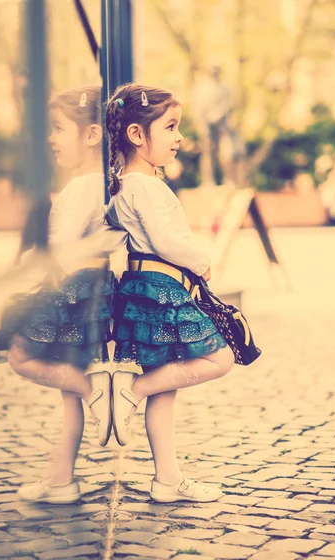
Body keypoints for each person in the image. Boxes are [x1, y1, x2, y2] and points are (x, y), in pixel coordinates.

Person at [0, 85, 124, 504]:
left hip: (71, 292)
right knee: (66, 392)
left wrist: (33, 259)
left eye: (58, 128)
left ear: (93, 134)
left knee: (19, 356)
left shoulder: (83, 185)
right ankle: (61, 480)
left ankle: (94, 390)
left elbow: (59, 250)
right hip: (88, 292)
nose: (51, 138)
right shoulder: (98, 184)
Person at [105, 83, 235, 503]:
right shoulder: (144, 185)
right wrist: (202, 263)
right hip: (162, 291)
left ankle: (167, 479)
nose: (179, 137)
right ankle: (130, 391)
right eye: (171, 127)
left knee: (165, 387)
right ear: (137, 136)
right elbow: (165, 240)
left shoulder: (129, 184)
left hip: (146, 290)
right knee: (220, 357)